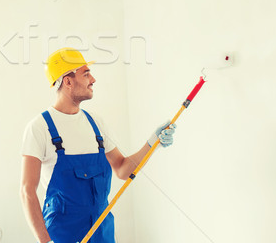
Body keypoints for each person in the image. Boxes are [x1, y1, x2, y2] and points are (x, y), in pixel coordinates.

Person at [20, 48, 175, 243]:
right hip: (62, 235)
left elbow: (122, 169)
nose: (93, 80)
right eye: (86, 74)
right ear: (67, 81)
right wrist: (46, 241)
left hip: (103, 232)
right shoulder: (39, 128)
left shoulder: (96, 123)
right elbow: (27, 191)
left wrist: (153, 143)